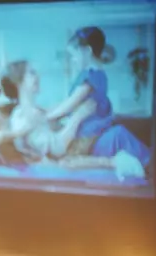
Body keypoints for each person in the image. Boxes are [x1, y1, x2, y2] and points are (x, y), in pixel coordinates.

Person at [1, 60, 146, 179]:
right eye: (31, 73)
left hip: (75, 148)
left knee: (116, 129)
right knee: (118, 135)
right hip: (68, 157)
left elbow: (57, 112)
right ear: (18, 82)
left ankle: (155, 169)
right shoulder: (22, 117)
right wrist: (79, 116)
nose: (37, 76)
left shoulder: (35, 110)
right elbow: (57, 149)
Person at [46, 26, 150, 167]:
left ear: (87, 51)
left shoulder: (92, 75)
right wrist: (46, 111)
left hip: (89, 136)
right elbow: (65, 104)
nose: (73, 60)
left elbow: (70, 104)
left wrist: (45, 117)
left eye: (74, 54)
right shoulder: (93, 75)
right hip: (90, 133)